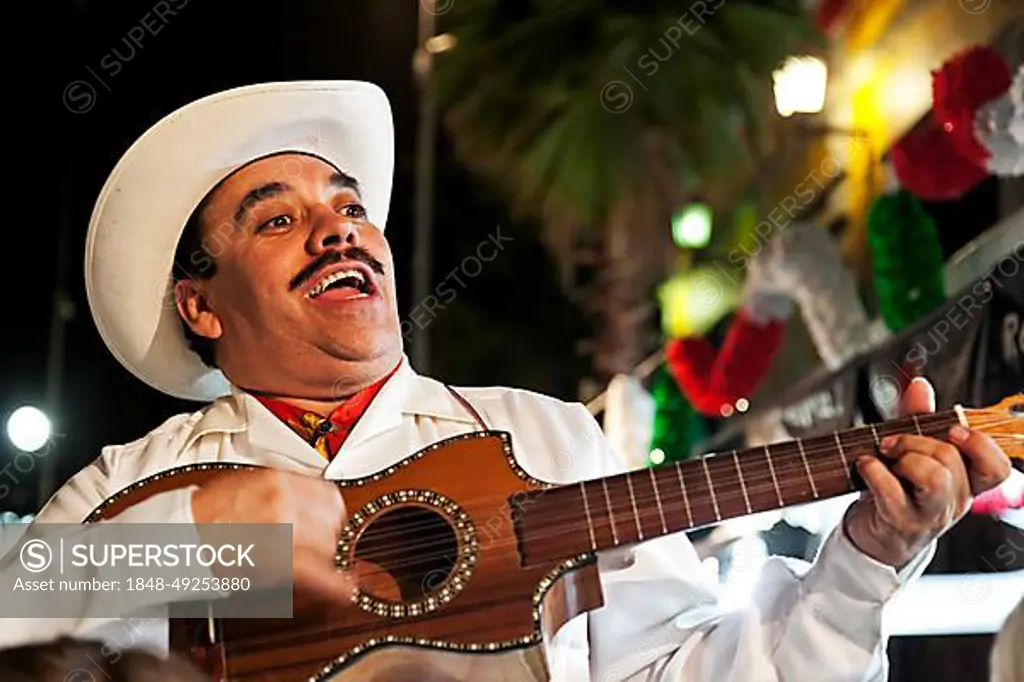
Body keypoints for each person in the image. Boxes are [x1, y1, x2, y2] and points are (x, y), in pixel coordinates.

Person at [0, 81, 1013, 681]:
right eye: (277, 218)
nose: (339, 227)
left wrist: (866, 561)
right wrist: (219, 546)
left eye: (347, 205)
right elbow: (17, 607)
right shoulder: (137, 482)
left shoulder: (542, 437)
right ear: (201, 306)